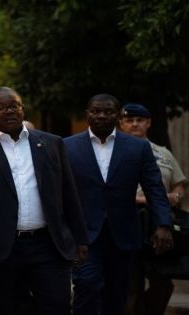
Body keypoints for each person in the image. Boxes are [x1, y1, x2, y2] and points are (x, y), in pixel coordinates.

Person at [0, 86, 89, 314]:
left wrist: (80, 238)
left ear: (22, 109)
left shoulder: (51, 143)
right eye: (0, 107)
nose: (9, 111)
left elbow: (68, 193)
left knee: (57, 305)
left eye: (14, 106)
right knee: (2, 307)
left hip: (48, 245)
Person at [64, 94, 173, 315]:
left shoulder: (137, 148)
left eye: (108, 111)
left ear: (117, 115)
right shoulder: (67, 146)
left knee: (117, 292)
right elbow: (58, 191)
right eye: (96, 111)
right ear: (87, 114)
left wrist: (163, 224)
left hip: (123, 232)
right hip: (83, 234)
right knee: (87, 284)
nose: (102, 115)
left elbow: (155, 188)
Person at [119, 103, 187, 315]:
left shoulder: (163, 153)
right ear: (121, 124)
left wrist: (176, 195)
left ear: (149, 123)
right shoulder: (113, 152)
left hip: (159, 224)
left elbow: (179, 184)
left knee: (163, 282)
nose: (135, 124)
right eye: (129, 120)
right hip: (128, 223)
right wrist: (144, 199)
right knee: (131, 285)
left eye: (140, 120)